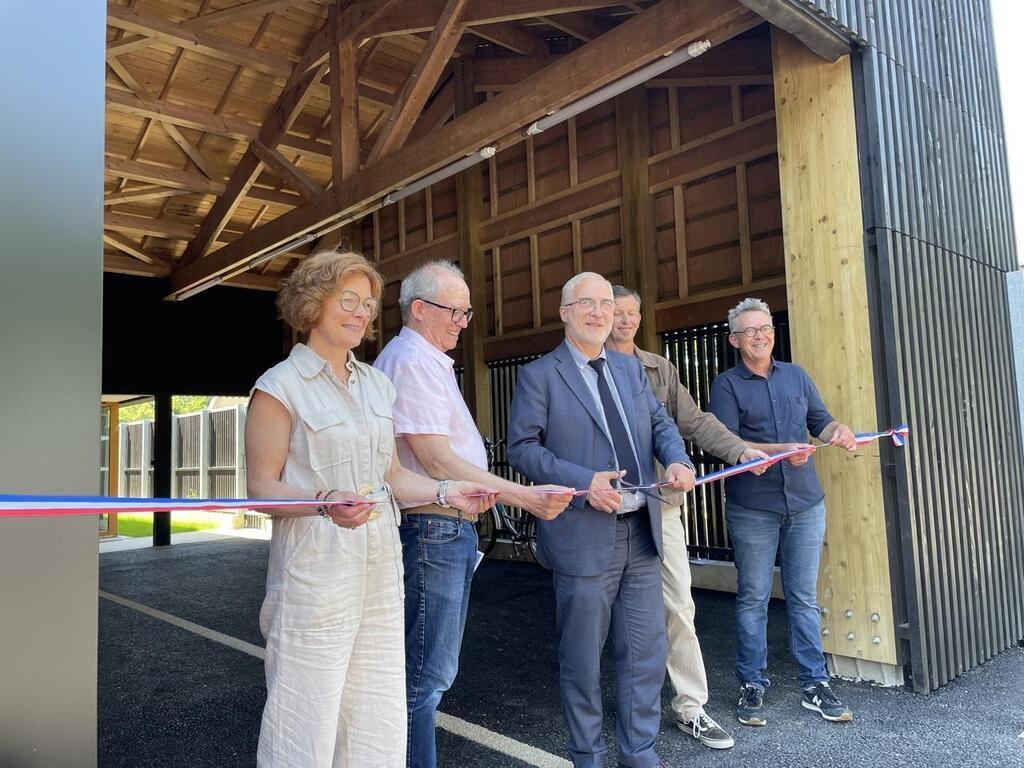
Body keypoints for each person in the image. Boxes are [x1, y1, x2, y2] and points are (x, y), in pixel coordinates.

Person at [245, 250, 496, 768]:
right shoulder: (278, 387)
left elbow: (391, 478)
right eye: (348, 300)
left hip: (381, 570)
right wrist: (321, 502)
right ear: (314, 304)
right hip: (314, 575)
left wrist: (447, 492)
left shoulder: (378, 385)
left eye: (368, 303)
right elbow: (262, 489)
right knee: (304, 716)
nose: (362, 313)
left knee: (375, 716)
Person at [373, 260, 573, 768]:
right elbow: (438, 458)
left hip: (443, 526)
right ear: (419, 310)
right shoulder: (411, 360)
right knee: (424, 675)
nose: (463, 321)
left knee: (428, 672)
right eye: (454, 311)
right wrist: (522, 496)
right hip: (432, 525)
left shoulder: (423, 359)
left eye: (466, 311)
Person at [507, 271, 696, 768]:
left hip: (641, 531)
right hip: (582, 536)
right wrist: (582, 482)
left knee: (645, 655)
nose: (598, 312)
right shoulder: (540, 374)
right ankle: (587, 756)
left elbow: (661, 424)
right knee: (583, 659)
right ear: (565, 312)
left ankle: (639, 753)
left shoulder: (631, 370)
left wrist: (678, 461)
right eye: (586, 303)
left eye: (605, 304)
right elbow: (522, 449)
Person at [605, 285, 769, 750]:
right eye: (618, 312)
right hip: (603, 509)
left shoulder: (658, 367)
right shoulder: (584, 369)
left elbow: (693, 422)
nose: (627, 320)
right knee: (601, 613)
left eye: (634, 312)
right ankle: (607, 709)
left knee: (678, 605)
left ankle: (691, 706)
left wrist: (740, 450)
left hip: (658, 507)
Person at [708, 297, 858, 727]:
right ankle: (751, 682)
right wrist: (782, 451)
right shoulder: (726, 385)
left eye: (767, 328)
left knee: (804, 597)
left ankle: (815, 682)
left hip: (806, 502)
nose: (761, 335)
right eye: (751, 331)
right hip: (753, 506)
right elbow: (727, 442)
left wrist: (839, 430)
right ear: (735, 339)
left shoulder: (796, 375)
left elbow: (820, 422)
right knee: (753, 597)